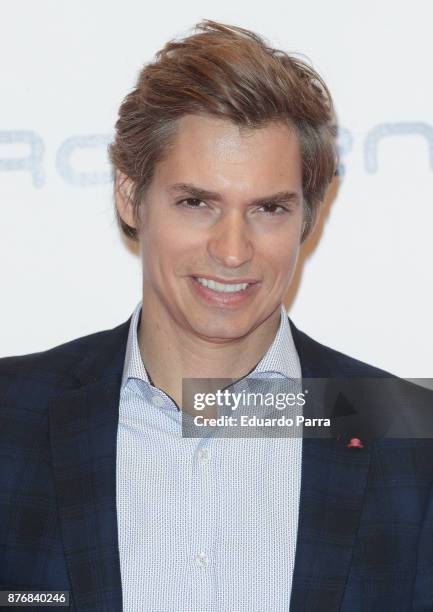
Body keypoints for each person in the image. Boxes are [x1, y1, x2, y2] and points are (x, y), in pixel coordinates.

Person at [0, 20, 432, 612]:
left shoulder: (410, 437)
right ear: (130, 196)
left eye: (270, 208)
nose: (232, 250)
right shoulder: (10, 419)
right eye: (196, 203)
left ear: (308, 217)